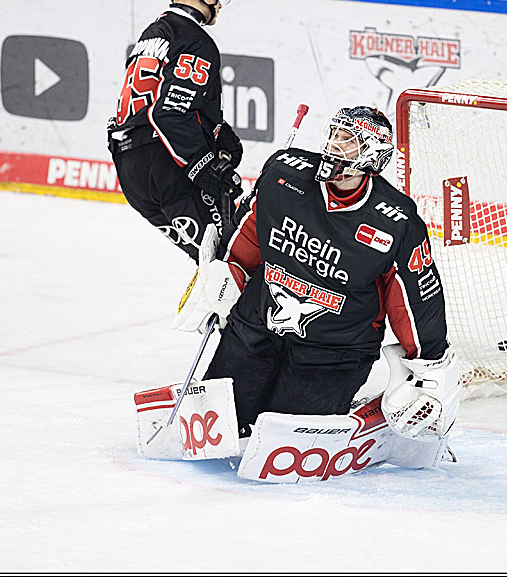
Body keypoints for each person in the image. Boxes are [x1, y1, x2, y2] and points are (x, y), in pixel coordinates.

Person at [192, 106, 452, 437]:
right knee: (221, 418)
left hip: (333, 352)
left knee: (285, 432)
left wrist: (428, 362)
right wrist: (224, 278)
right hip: (256, 328)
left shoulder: (396, 222)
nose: (334, 144)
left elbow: (415, 301)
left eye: (348, 139)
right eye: (334, 134)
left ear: (374, 152)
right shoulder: (284, 174)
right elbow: (247, 235)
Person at [108, 0, 243, 261]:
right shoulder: (195, 39)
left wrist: (219, 133)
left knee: (212, 263)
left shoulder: (153, 33)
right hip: (164, 165)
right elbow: (169, 113)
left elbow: (165, 103)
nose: (219, 2)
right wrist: (206, 167)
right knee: (233, 259)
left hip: (131, 170)